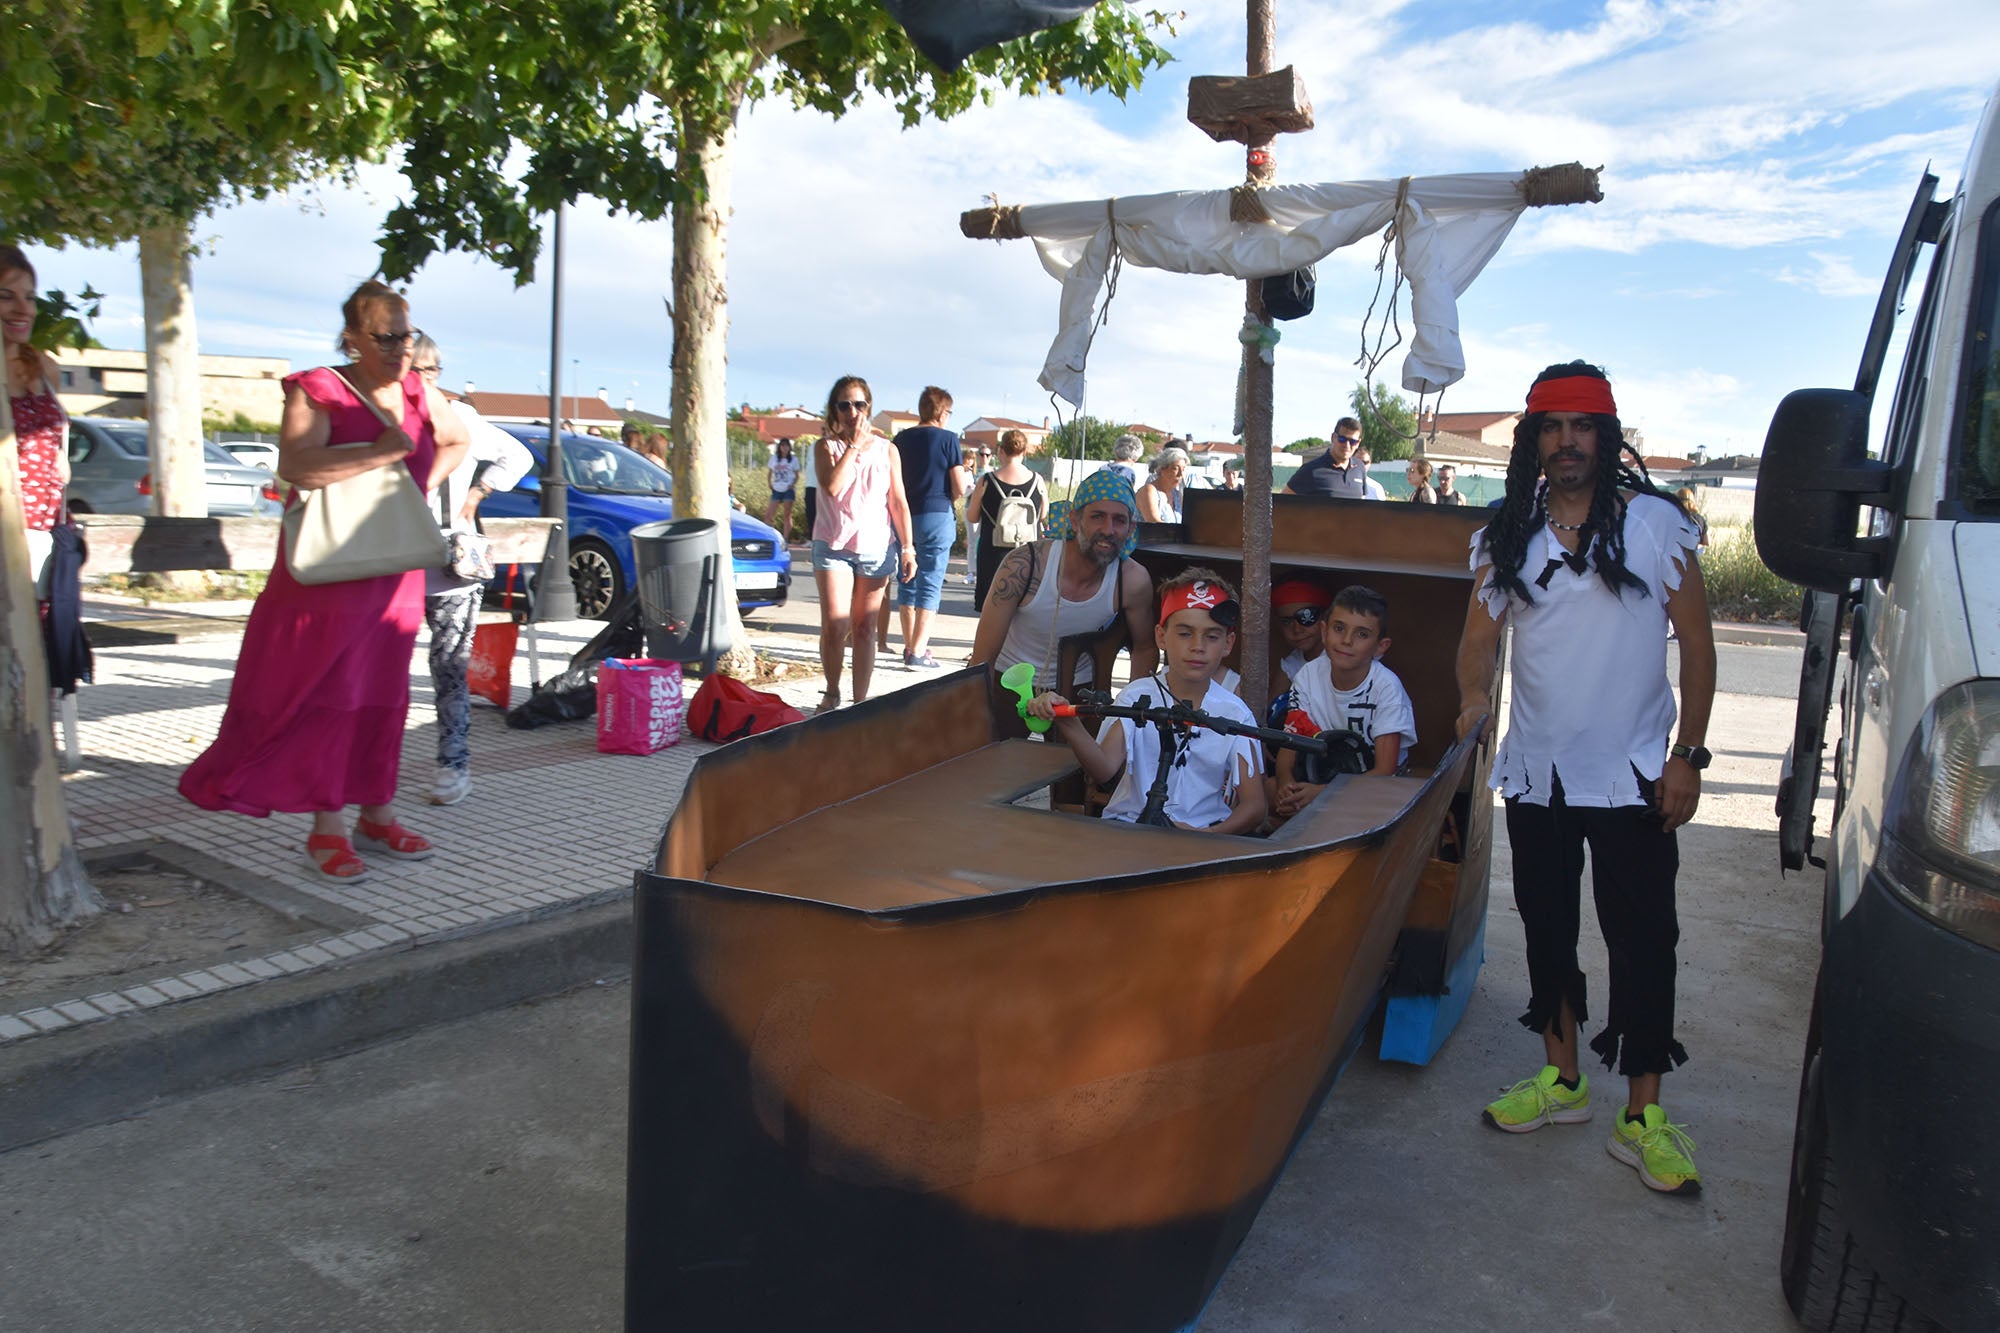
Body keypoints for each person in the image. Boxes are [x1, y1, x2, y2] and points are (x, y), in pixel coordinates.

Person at [1455, 360, 1715, 1197]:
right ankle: (1562, 1079)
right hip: (1538, 777)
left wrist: (1690, 755)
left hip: (1637, 776)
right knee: (1546, 928)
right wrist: (1471, 700)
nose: (1568, 441)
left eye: (1584, 424)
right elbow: (1477, 641)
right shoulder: (1507, 533)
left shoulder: (1655, 525)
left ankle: (1643, 1112)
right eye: (1553, 425)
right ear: (1533, 439)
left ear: (1607, 435)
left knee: (1645, 939)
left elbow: (1701, 650)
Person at [180, 280, 470, 881]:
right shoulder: (319, 389)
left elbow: (458, 438)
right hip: (328, 574)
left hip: (392, 573)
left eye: (406, 335)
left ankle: (378, 814)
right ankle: (327, 829)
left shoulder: (419, 389)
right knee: (327, 697)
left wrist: (412, 491)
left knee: (385, 697)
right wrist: (383, 455)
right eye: (384, 336)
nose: (399, 349)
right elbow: (296, 467)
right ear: (352, 337)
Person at [1027, 567, 1265, 833]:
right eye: (1185, 633)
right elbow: (1103, 769)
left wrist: (1206, 836)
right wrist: (1069, 723)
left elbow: (1254, 806)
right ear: (1161, 636)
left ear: (1228, 643)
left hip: (1202, 837)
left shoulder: (1236, 713)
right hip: (1130, 828)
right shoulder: (1135, 696)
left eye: (1212, 636)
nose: (1198, 646)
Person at [409, 335, 534, 807]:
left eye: (430, 370)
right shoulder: (384, 415)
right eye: (414, 368)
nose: (422, 378)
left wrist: (477, 493)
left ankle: (453, 763)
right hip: (391, 562)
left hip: (449, 562)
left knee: (449, 666)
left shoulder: (458, 417)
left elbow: (517, 455)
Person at [971, 466, 1157, 695]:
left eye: (1119, 520)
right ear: (1075, 520)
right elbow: (982, 659)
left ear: (1131, 529)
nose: (1108, 530)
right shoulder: (1025, 565)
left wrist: (1131, 711)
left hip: (1078, 691)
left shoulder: (1131, 580)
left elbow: (1145, 648)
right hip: (1011, 683)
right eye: (1097, 516)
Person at [810, 376, 916, 712]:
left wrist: (908, 547)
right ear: (835, 410)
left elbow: (897, 500)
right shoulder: (826, 447)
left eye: (859, 404)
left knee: (865, 626)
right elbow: (832, 487)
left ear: (868, 407)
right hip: (833, 545)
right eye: (845, 404)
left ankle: (859, 704)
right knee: (836, 624)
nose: (853, 411)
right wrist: (853, 446)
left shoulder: (888, 450)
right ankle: (831, 691)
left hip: (874, 548)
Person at [1272, 585, 1417, 819]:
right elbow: (1290, 745)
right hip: (1319, 776)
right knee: (1267, 790)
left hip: (1373, 792)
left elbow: (1384, 772)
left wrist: (1322, 795)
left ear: (1381, 646)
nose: (1347, 641)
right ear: (1324, 631)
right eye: (1339, 628)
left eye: (1362, 634)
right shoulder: (1308, 676)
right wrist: (1286, 785)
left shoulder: (1387, 689)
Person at [1, 245, 66, 598]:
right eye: (5, 296)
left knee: (40, 643)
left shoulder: (44, 368)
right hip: (4, 531)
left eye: (29, 297)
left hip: (45, 531)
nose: (23, 308)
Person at [892, 386, 969, 669]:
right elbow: (959, 486)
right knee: (931, 582)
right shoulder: (948, 440)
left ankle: (908, 645)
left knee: (907, 580)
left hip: (905, 515)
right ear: (941, 411)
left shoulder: (900, 439)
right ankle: (919, 651)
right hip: (937, 513)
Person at [968, 429, 1047, 611]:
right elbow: (1042, 515)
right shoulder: (1038, 480)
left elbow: (972, 517)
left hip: (993, 553)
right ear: (1025, 452)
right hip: (1027, 552)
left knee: (992, 609)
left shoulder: (986, 480)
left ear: (1001, 450)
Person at [1286, 418, 1368, 498]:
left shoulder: (1360, 468)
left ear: (1358, 443)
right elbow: (1281, 504)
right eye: (1342, 439)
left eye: (1352, 442)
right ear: (1333, 437)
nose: (1347, 445)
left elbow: (1362, 502)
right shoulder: (1311, 470)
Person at [1136, 446, 1188, 523]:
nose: (1180, 474)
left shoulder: (1177, 495)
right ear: (1162, 469)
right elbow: (1154, 523)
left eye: (1183, 469)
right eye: (1175, 468)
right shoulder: (1149, 491)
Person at [764, 439, 800, 540]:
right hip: (776, 488)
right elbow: (770, 472)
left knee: (787, 514)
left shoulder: (793, 459)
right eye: (783, 446)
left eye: (787, 446)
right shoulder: (774, 458)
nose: (785, 448)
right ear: (779, 447)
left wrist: (792, 484)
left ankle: (785, 538)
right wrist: (769, 483)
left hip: (788, 488)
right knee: (769, 514)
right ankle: (770, 536)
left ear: (789, 447)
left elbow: (797, 475)